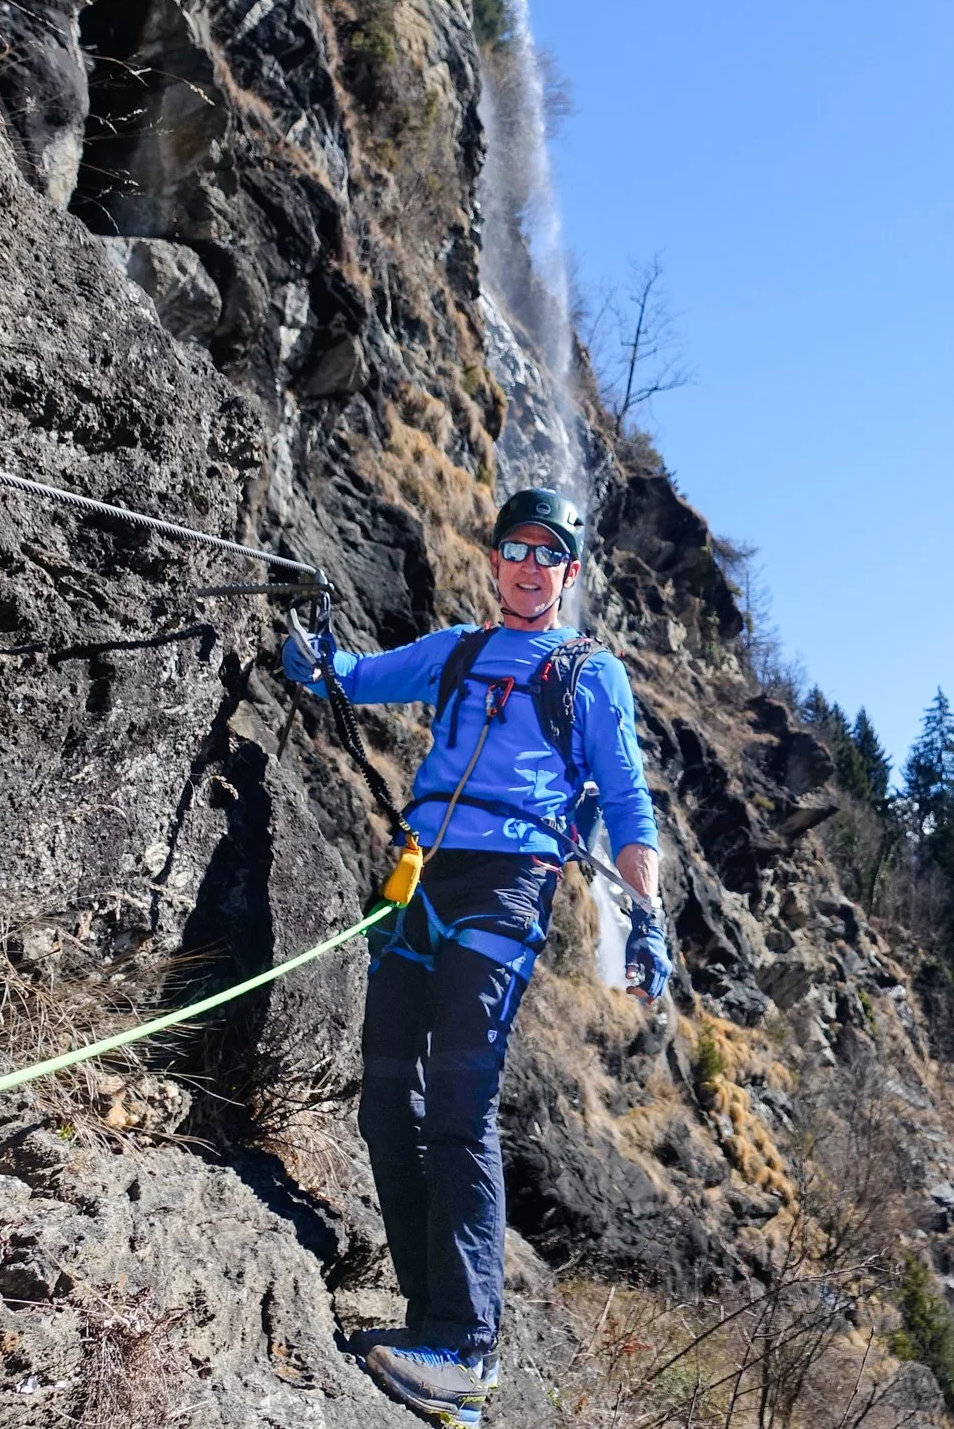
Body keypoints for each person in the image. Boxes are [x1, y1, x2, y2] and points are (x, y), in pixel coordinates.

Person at [280, 487, 673, 1426]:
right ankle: (429, 1318)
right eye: (516, 549)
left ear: (569, 573)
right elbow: (351, 677)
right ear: (495, 560)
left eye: (549, 553)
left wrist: (647, 912)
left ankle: (465, 1349)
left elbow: (627, 802)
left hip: (508, 884)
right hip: (418, 876)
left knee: (460, 1102)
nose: (531, 566)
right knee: (386, 1097)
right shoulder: (455, 650)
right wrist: (311, 654)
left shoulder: (589, 674)